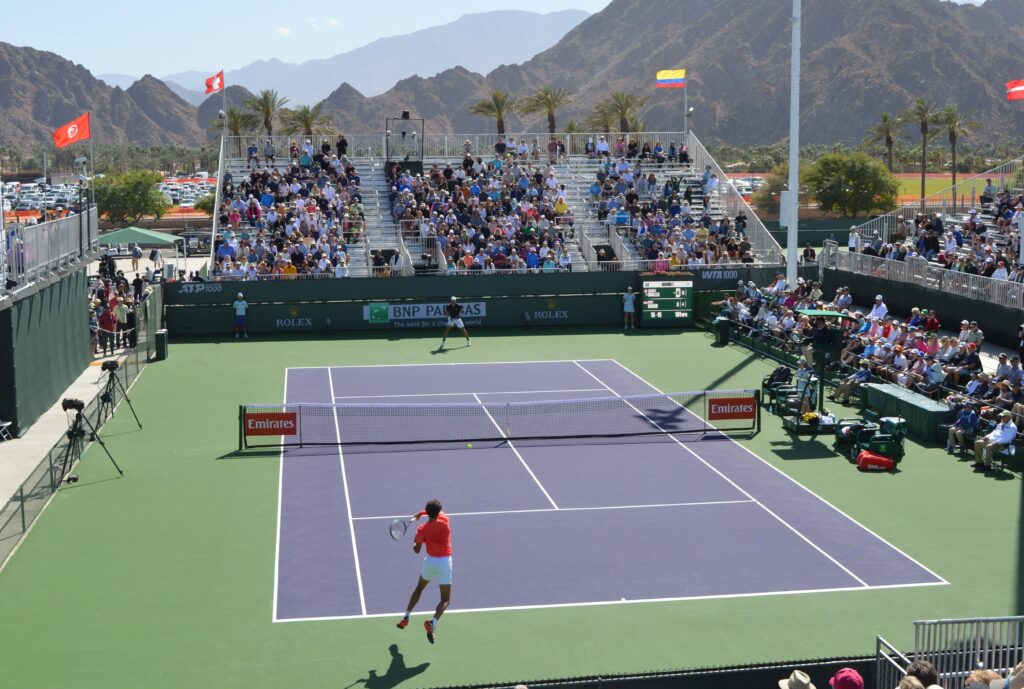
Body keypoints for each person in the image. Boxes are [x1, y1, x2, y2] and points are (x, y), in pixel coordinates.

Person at [396, 500, 451, 644]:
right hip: (444, 562)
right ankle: (432, 623)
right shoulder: (445, 520)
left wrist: (415, 538)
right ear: (439, 512)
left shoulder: (422, 529)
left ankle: (406, 617)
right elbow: (435, 512)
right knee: (445, 599)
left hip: (430, 562)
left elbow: (416, 550)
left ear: (428, 511)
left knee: (419, 588)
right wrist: (422, 513)